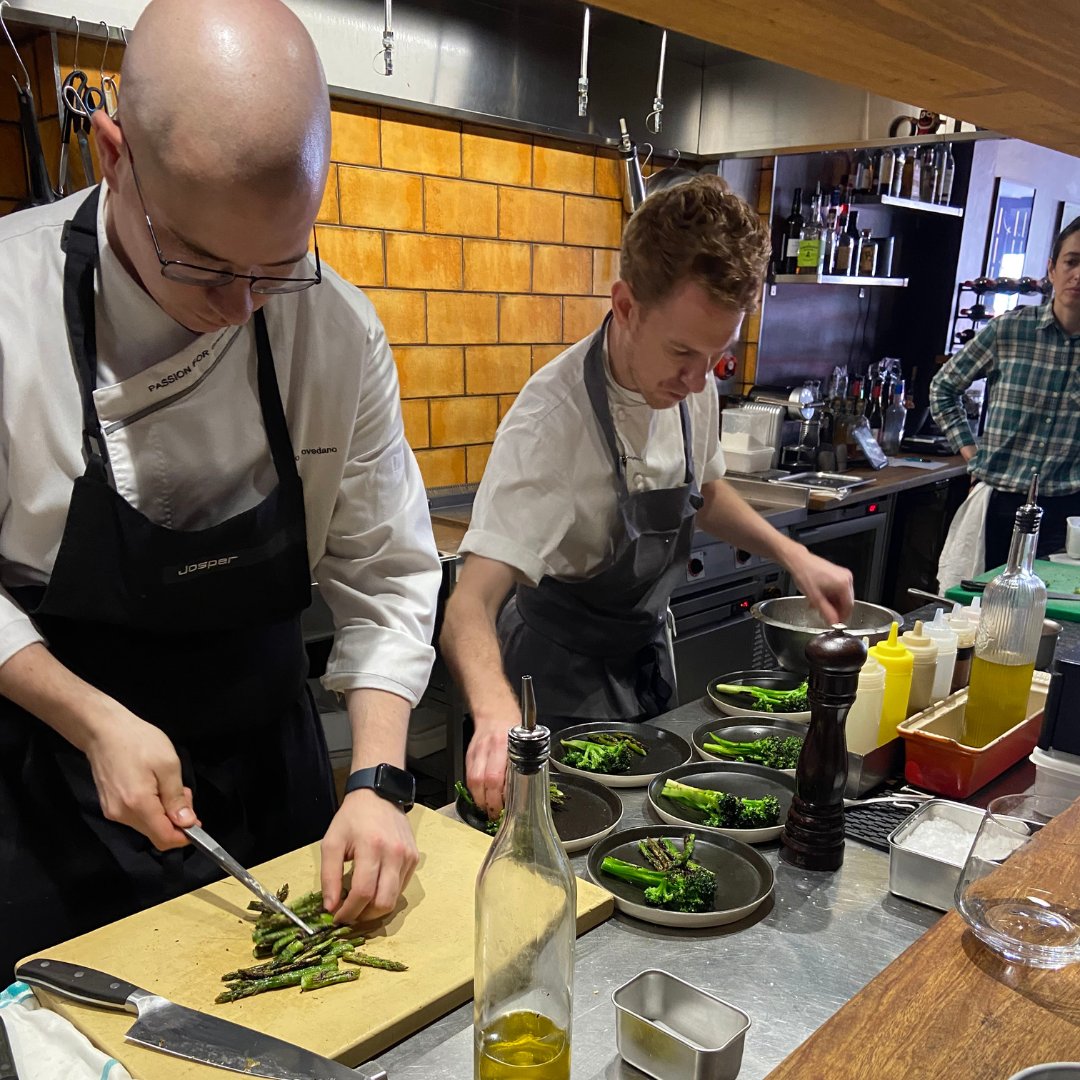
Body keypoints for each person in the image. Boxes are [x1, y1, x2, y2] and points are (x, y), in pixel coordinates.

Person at [0, 0, 440, 975]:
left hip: (273, 771)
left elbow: (388, 573)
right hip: (58, 784)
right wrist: (93, 719)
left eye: (277, 268)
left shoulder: (337, 331)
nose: (241, 308)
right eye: (202, 265)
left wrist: (374, 778)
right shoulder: (5, 306)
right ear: (113, 154)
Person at [441, 176, 855, 818]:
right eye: (682, 351)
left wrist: (792, 558)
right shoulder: (550, 422)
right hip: (556, 678)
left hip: (644, 660)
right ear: (626, 306)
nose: (696, 379)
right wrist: (493, 709)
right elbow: (470, 601)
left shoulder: (693, 385)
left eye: (715, 356)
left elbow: (706, 491)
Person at [931, 218, 1080, 573]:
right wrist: (970, 452)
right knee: (977, 611)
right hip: (999, 503)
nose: (1078, 274)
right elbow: (943, 388)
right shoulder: (1009, 331)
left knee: (1050, 618)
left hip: (1068, 513)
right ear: (1052, 269)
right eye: (1071, 262)